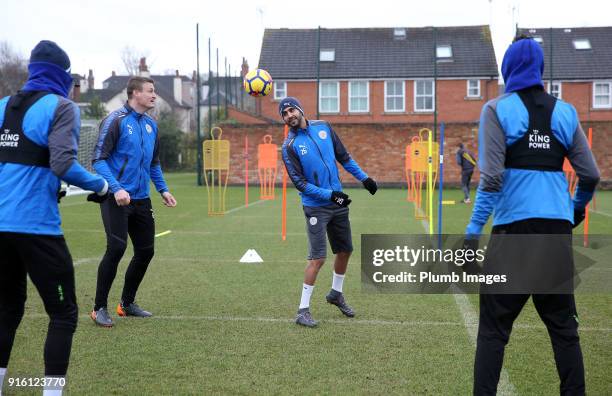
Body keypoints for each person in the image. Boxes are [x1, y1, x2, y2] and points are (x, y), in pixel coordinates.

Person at [464, 36, 599, 395]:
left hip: (513, 235)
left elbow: (492, 176)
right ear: (540, 69)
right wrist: (575, 209)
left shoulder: (496, 109)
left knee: (493, 330)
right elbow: (591, 174)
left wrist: (474, 228)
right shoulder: (566, 112)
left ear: (508, 69)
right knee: (564, 331)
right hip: (555, 234)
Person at [0, 40, 109, 395]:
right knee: (62, 314)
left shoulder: (2, 106)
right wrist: (103, 186)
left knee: (7, 309)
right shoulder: (62, 107)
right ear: (62, 76)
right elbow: (62, 163)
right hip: (36, 228)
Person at [280, 97, 377, 328]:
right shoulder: (289, 147)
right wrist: (331, 195)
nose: (289, 115)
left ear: (300, 109)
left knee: (345, 250)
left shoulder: (324, 127)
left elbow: (344, 157)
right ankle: (302, 310)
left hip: (338, 201)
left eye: (291, 109)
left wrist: (364, 179)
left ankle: (336, 294)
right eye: (284, 114)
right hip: (316, 206)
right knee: (318, 258)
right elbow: (301, 184)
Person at [89, 76, 177, 328]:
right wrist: (115, 189)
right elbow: (98, 160)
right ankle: (98, 308)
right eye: (150, 91)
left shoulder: (151, 125)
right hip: (115, 199)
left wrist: (163, 190)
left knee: (146, 251)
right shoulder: (115, 120)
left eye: (154, 91)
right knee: (116, 249)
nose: (154, 95)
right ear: (134, 94)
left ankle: (126, 304)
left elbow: (153, 163)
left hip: (141, 199)